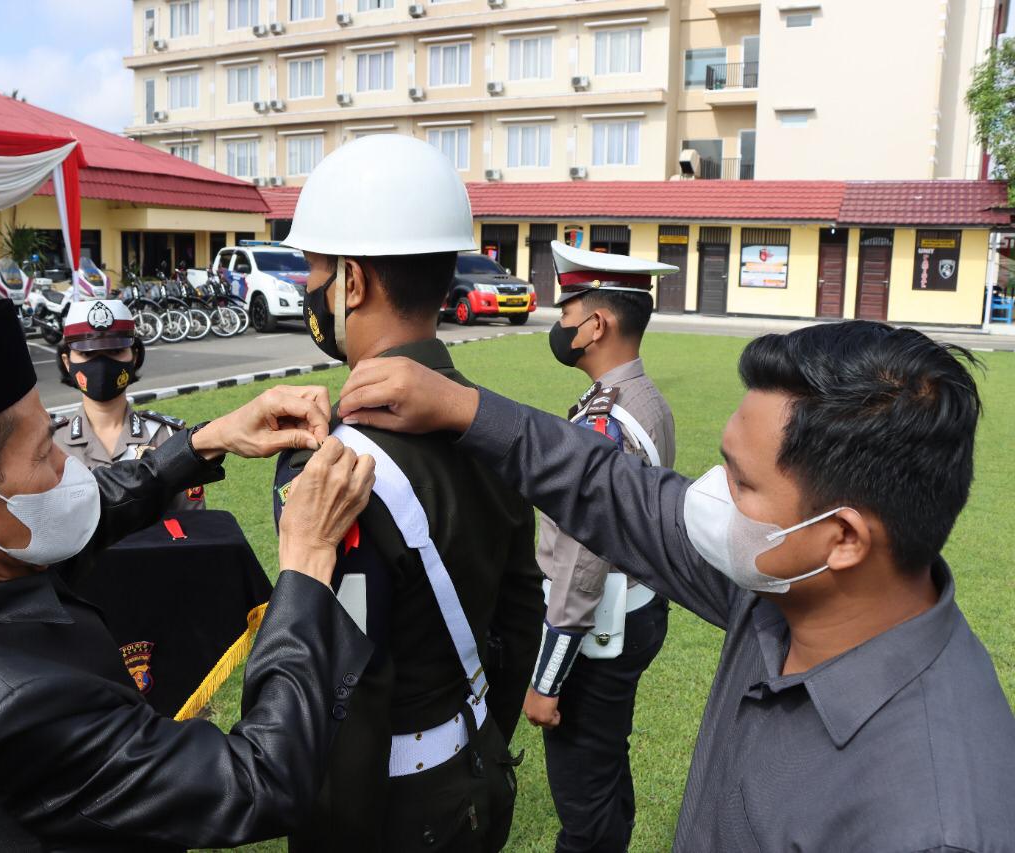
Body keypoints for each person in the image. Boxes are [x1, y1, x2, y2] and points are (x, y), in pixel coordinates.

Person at [337, 321, 1015, 851]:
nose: (710, 497)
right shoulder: (787, 592)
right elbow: (613, 491)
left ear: (843, 538)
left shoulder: (932, 820)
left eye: (742, 483)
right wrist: (461, 406)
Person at [0, 299, 378, 850]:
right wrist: (306, 563)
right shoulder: (15, 703)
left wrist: (203, 442)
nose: (68, 465)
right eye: (45, 452)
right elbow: (260, 783)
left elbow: (78, 522)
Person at [276, 134, 545, 852]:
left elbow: (345, 688)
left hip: (386, 810)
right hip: (468, 779)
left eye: (314, 268)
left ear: (353, 282)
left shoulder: (336, 465)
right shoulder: (494, 422)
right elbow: (523, 611)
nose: (309, 287)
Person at [521, 242, 677, 853]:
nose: (559, 327)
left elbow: (584, 559)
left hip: (596, 629)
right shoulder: (643, 398)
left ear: (597, 324)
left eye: (566, 314)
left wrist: (548, 679)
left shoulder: (603, 423)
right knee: (609, 764)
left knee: (583, 801)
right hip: (634, 611)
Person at [54, 299, 205, 511]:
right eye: (87, 354)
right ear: (67, 361)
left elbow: (194, 527)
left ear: (134, 357)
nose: (102, 365)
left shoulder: (168, 437)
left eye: (115, 351)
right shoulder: (49, 445)